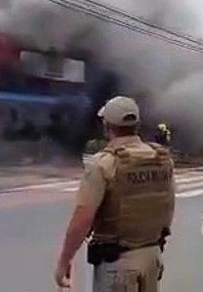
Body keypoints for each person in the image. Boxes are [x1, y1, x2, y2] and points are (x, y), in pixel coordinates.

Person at [56, 96, 176, 292]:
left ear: (107, 125)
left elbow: (83, 217)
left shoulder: (103, 164)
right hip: (151, 258)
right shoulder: (160, 158)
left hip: (117, 264)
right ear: (137, 124)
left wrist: (64, 261)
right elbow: (168, 206)